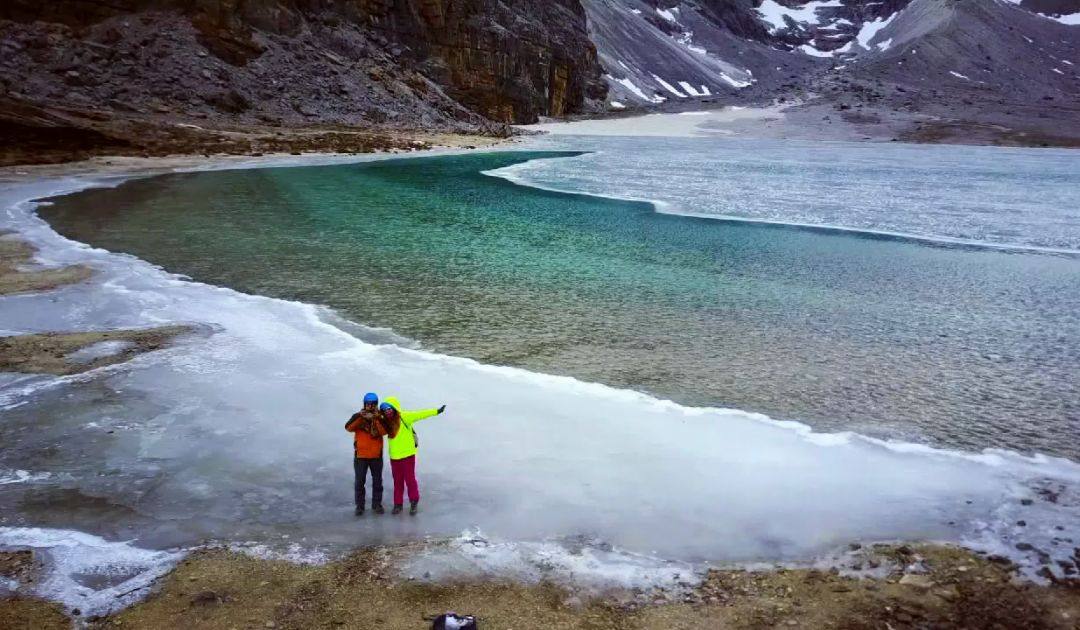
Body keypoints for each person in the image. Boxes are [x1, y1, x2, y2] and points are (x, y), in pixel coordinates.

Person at [380, 396, 446, 515]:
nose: (387, 411)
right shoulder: (385, 421)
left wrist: (437, 411)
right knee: (397, 481)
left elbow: (421, 414)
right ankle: (398, 504)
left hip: (408, 455)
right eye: (385, 410)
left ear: (394, 408)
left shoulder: (404, 416)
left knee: (410, 479)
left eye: (389, 408)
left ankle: (414, 502)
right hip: (394, 457)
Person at [345, 392, 395, 516]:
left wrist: (376, 418)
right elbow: (349, 427)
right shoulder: (358, 416)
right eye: (368, 404)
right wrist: (361, 417)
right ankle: (360, 506)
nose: (370, 406)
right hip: (361, 455)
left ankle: (377, 504)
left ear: (376, 404)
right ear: (364, 404)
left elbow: (384, 431)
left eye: (373, 404)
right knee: (359, 482)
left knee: (377, 482)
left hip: (376, 456)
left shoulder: (380, 418)